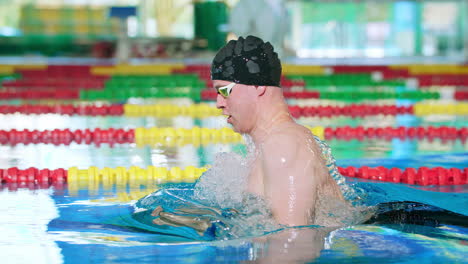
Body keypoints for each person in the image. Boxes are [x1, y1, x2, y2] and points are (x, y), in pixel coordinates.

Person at [211, 35, 344, 226]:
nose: (218, 103)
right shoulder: (272, 144)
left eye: (224, 91)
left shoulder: (283, 146)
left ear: (257, 86)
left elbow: (294, 244)